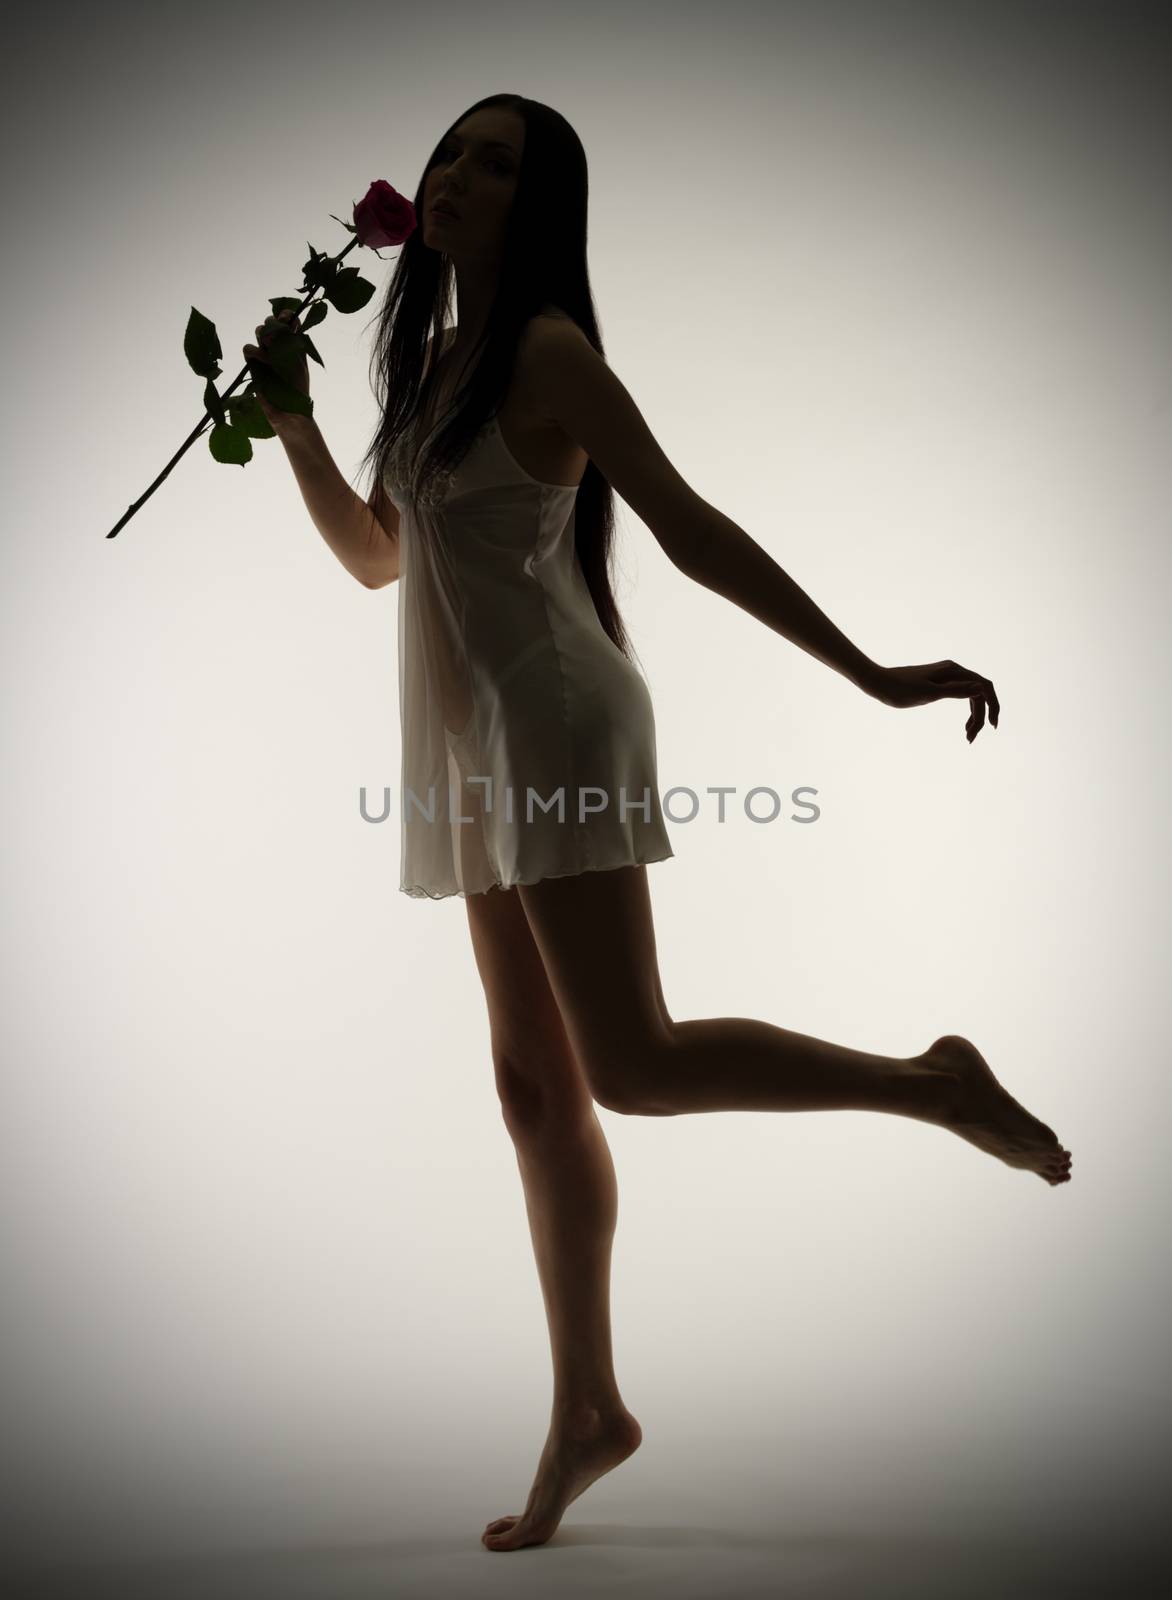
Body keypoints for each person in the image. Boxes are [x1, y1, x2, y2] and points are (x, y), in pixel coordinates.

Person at [246, 94, 1073, 1556]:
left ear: (539, 204)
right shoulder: (439, 368)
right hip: (475, 740)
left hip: (557, 721)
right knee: (532, 1091)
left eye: (494, 164)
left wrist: (877, 673)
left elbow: (690, 529)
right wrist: (296, 423)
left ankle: (933, 1081)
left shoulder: (553, 358)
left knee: (628, 1065)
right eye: (451, 152)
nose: (454, 178)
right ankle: (589, 1412)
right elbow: (382, 562)